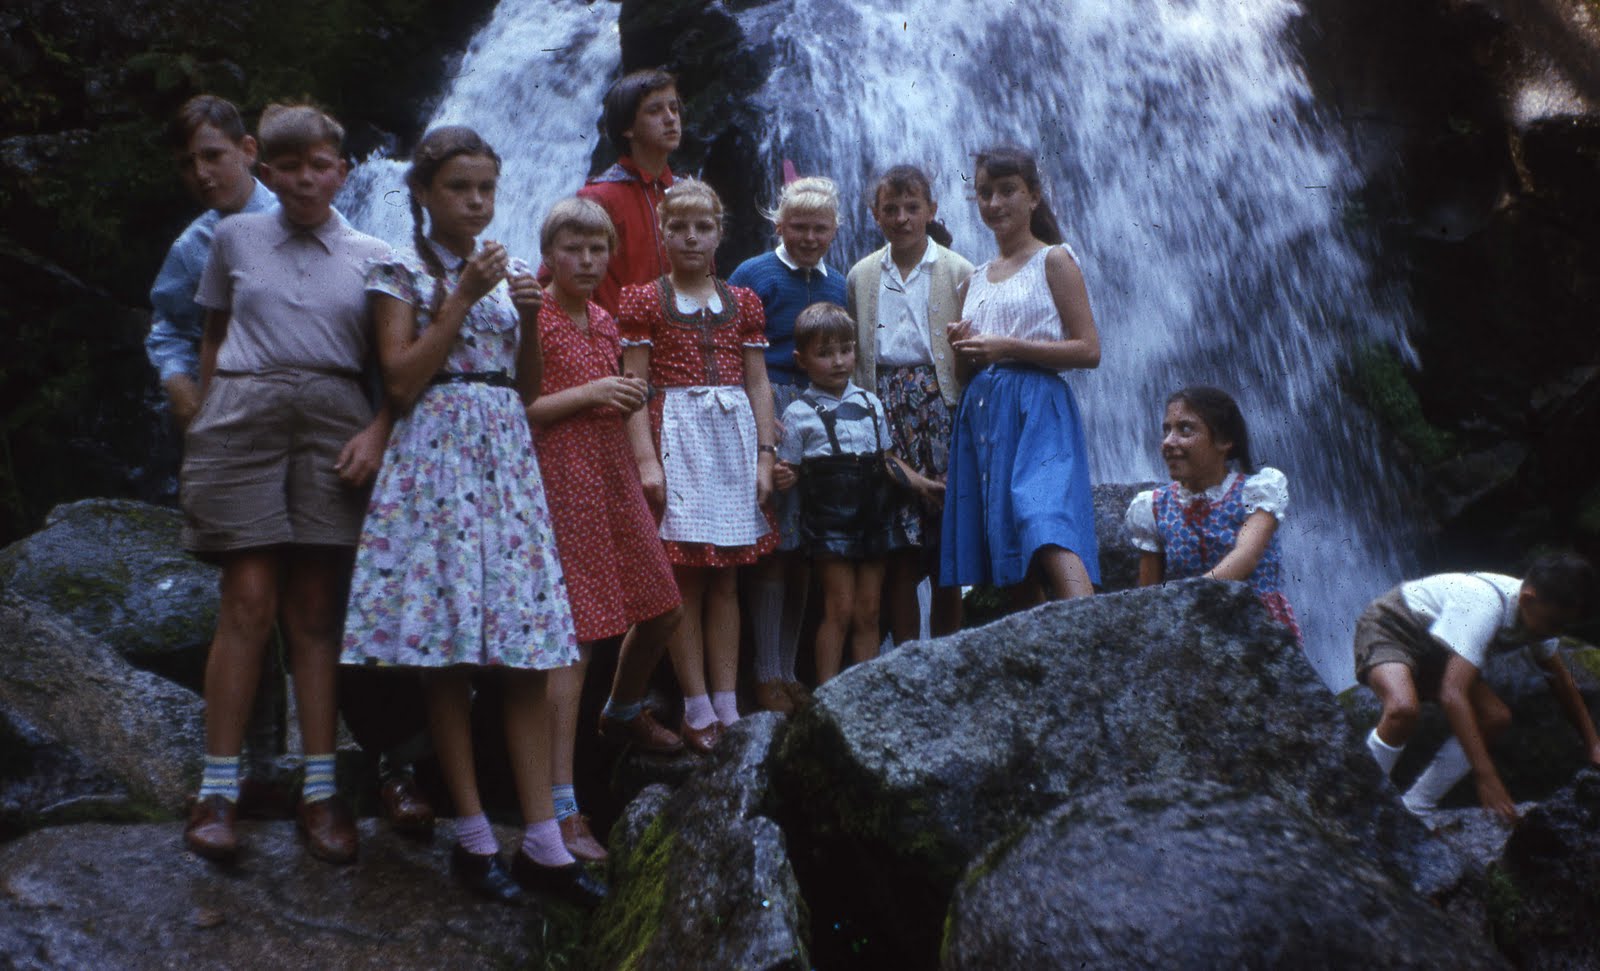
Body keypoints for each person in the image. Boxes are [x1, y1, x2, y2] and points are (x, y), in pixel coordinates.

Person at [339, 126, 603, 907]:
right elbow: (400, 381)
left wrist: (525, 316)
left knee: (525, 652)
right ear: (423, 192)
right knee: (450, 652)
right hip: (435, 459)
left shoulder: (517, 270)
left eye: (486, 188)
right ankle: (475, 833)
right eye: (459, 187)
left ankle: (545, 844)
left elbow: (523, 386)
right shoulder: (396, 270)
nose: (477, 202)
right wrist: (461, 298)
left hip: (505, 458)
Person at [180, 103, 393, 865]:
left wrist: (379, 430)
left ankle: (320, 789)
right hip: (243, 409)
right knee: (247, 596)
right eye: (289, 165)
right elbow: (212, 332)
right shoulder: (232, 237)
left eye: (320, 164)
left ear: (344, 170)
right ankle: (217, 789)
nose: (306, 178)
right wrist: (204, 421)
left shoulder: (375, 253)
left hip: (335, 417)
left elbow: (392, 364)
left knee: (312, 607)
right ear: (264, 170)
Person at [528, 197, 687, 863]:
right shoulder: (533, 317)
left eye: (599, 251)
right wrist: (593, 396)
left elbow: (624, 398)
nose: (589, 261)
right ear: (550, 254)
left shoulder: (601, 318)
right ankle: (562, 805)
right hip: (561, 480)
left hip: (613, 476)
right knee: (578, 638)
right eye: (575, 249)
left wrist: (645, 455)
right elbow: (522, 408)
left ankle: (620, 712)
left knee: (662, 605)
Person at [619, 178, 778, 753]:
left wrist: (765, 453)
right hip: (677, 438)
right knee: (683, 577)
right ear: (663, 233)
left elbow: (757, 383)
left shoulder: (743, 302)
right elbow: (634, 385)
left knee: (728, 579)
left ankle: (729, 699)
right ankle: (695, 702)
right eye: (679, 227)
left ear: (719, 233)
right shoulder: (644, 300)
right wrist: (645, 460)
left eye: (702, 227)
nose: (691, 238)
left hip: (731, 440)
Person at [941, 146, 1101, 603]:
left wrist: (1007, 347)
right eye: (984, 193)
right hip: (985, 412)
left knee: (1043, 518)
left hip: (1037, 406)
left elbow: (1089, 350)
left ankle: (1091, 632)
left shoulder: (1054, 260)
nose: (994, 203)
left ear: (1033, 196)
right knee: (1005, 541)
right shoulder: (972, 278)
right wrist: (963, 349)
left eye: (1007, 191)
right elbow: (963, 372)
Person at [1354, 552, 1600, 825]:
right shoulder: (1484, 606)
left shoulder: (1540, 619)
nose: (1555, 632)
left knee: (1495, 717)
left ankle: (1417, 806)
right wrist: (1487, 778)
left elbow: (1561, 682)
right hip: (1393, 627)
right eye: (1554, 624)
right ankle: (1357, 798)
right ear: (1528, 598)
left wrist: (1593, 743)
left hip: (1439, 651)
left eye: (1563, 627)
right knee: (1403, 709)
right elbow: (1452, 694)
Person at [730, 175, 848, 712]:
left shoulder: (839, 285)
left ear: (834, 230)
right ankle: (767, 673)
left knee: (804, 550)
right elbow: (734, 354)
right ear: (779, 225)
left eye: (819, 228)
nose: (808, 237)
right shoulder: (754, 276)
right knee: (776, 546)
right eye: (798, 227)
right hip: (771, 408)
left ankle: (790, 670)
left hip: (821, 412)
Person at [846, 164, 973, 643]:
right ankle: (906, 656)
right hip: (885, 405)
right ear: (875, 215)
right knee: (900, 547)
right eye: (890, 209)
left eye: (912, 208)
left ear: (931, 211)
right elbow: (859, 350)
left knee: (946, 547)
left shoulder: (958, 270)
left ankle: (947, 651)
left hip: (941, 406)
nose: (901, 218)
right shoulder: (861, 274)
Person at [776, 303, 931, 683]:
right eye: (825, 353)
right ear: (802, 359)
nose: (838, 361)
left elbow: (886, 459)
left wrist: (925, 486)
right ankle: (829, 694)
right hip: (830, 521)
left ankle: (865, 692)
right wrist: (782, 475)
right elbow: (791, 469)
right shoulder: (798, 413)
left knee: (869, 611)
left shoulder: (870, 403)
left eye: (845, 350)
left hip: (873, 517)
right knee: (839, 609)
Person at [1124, 386, 1300, 642]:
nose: (1168, 442)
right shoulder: (1152, 506)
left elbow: (1245, 557)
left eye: (1185, 430)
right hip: (1193, 633)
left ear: (1224, 441)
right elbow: (1148, 593)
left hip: (1258, 631)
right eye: (1166, 430)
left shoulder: (1257, 493)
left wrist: (1184, 598)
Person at [147, 95, 277, 432]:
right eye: (186, 164)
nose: (201, 173)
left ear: (248, 150)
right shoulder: (191, 249)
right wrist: (177, 381)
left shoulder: (301, 215)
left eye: (212, 156)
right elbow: (169, 329)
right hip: (231, 408)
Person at [574, 68, 681, 315]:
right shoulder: (599, 198)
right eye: (655, 110)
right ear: (627, 128)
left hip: (680, 343)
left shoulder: (688, 195)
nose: (670, 118)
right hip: (616, 344)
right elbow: (555, 280)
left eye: (674, 108)